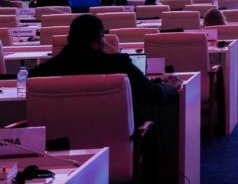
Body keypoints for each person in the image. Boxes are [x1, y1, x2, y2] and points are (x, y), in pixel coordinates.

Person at [29, 15, 174, 119]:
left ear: (68, 40)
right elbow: (151, 94)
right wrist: (169, 86)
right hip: (116, 141)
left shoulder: (39, 74)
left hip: (58, 146)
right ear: (100, 38)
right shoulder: (118, 65)